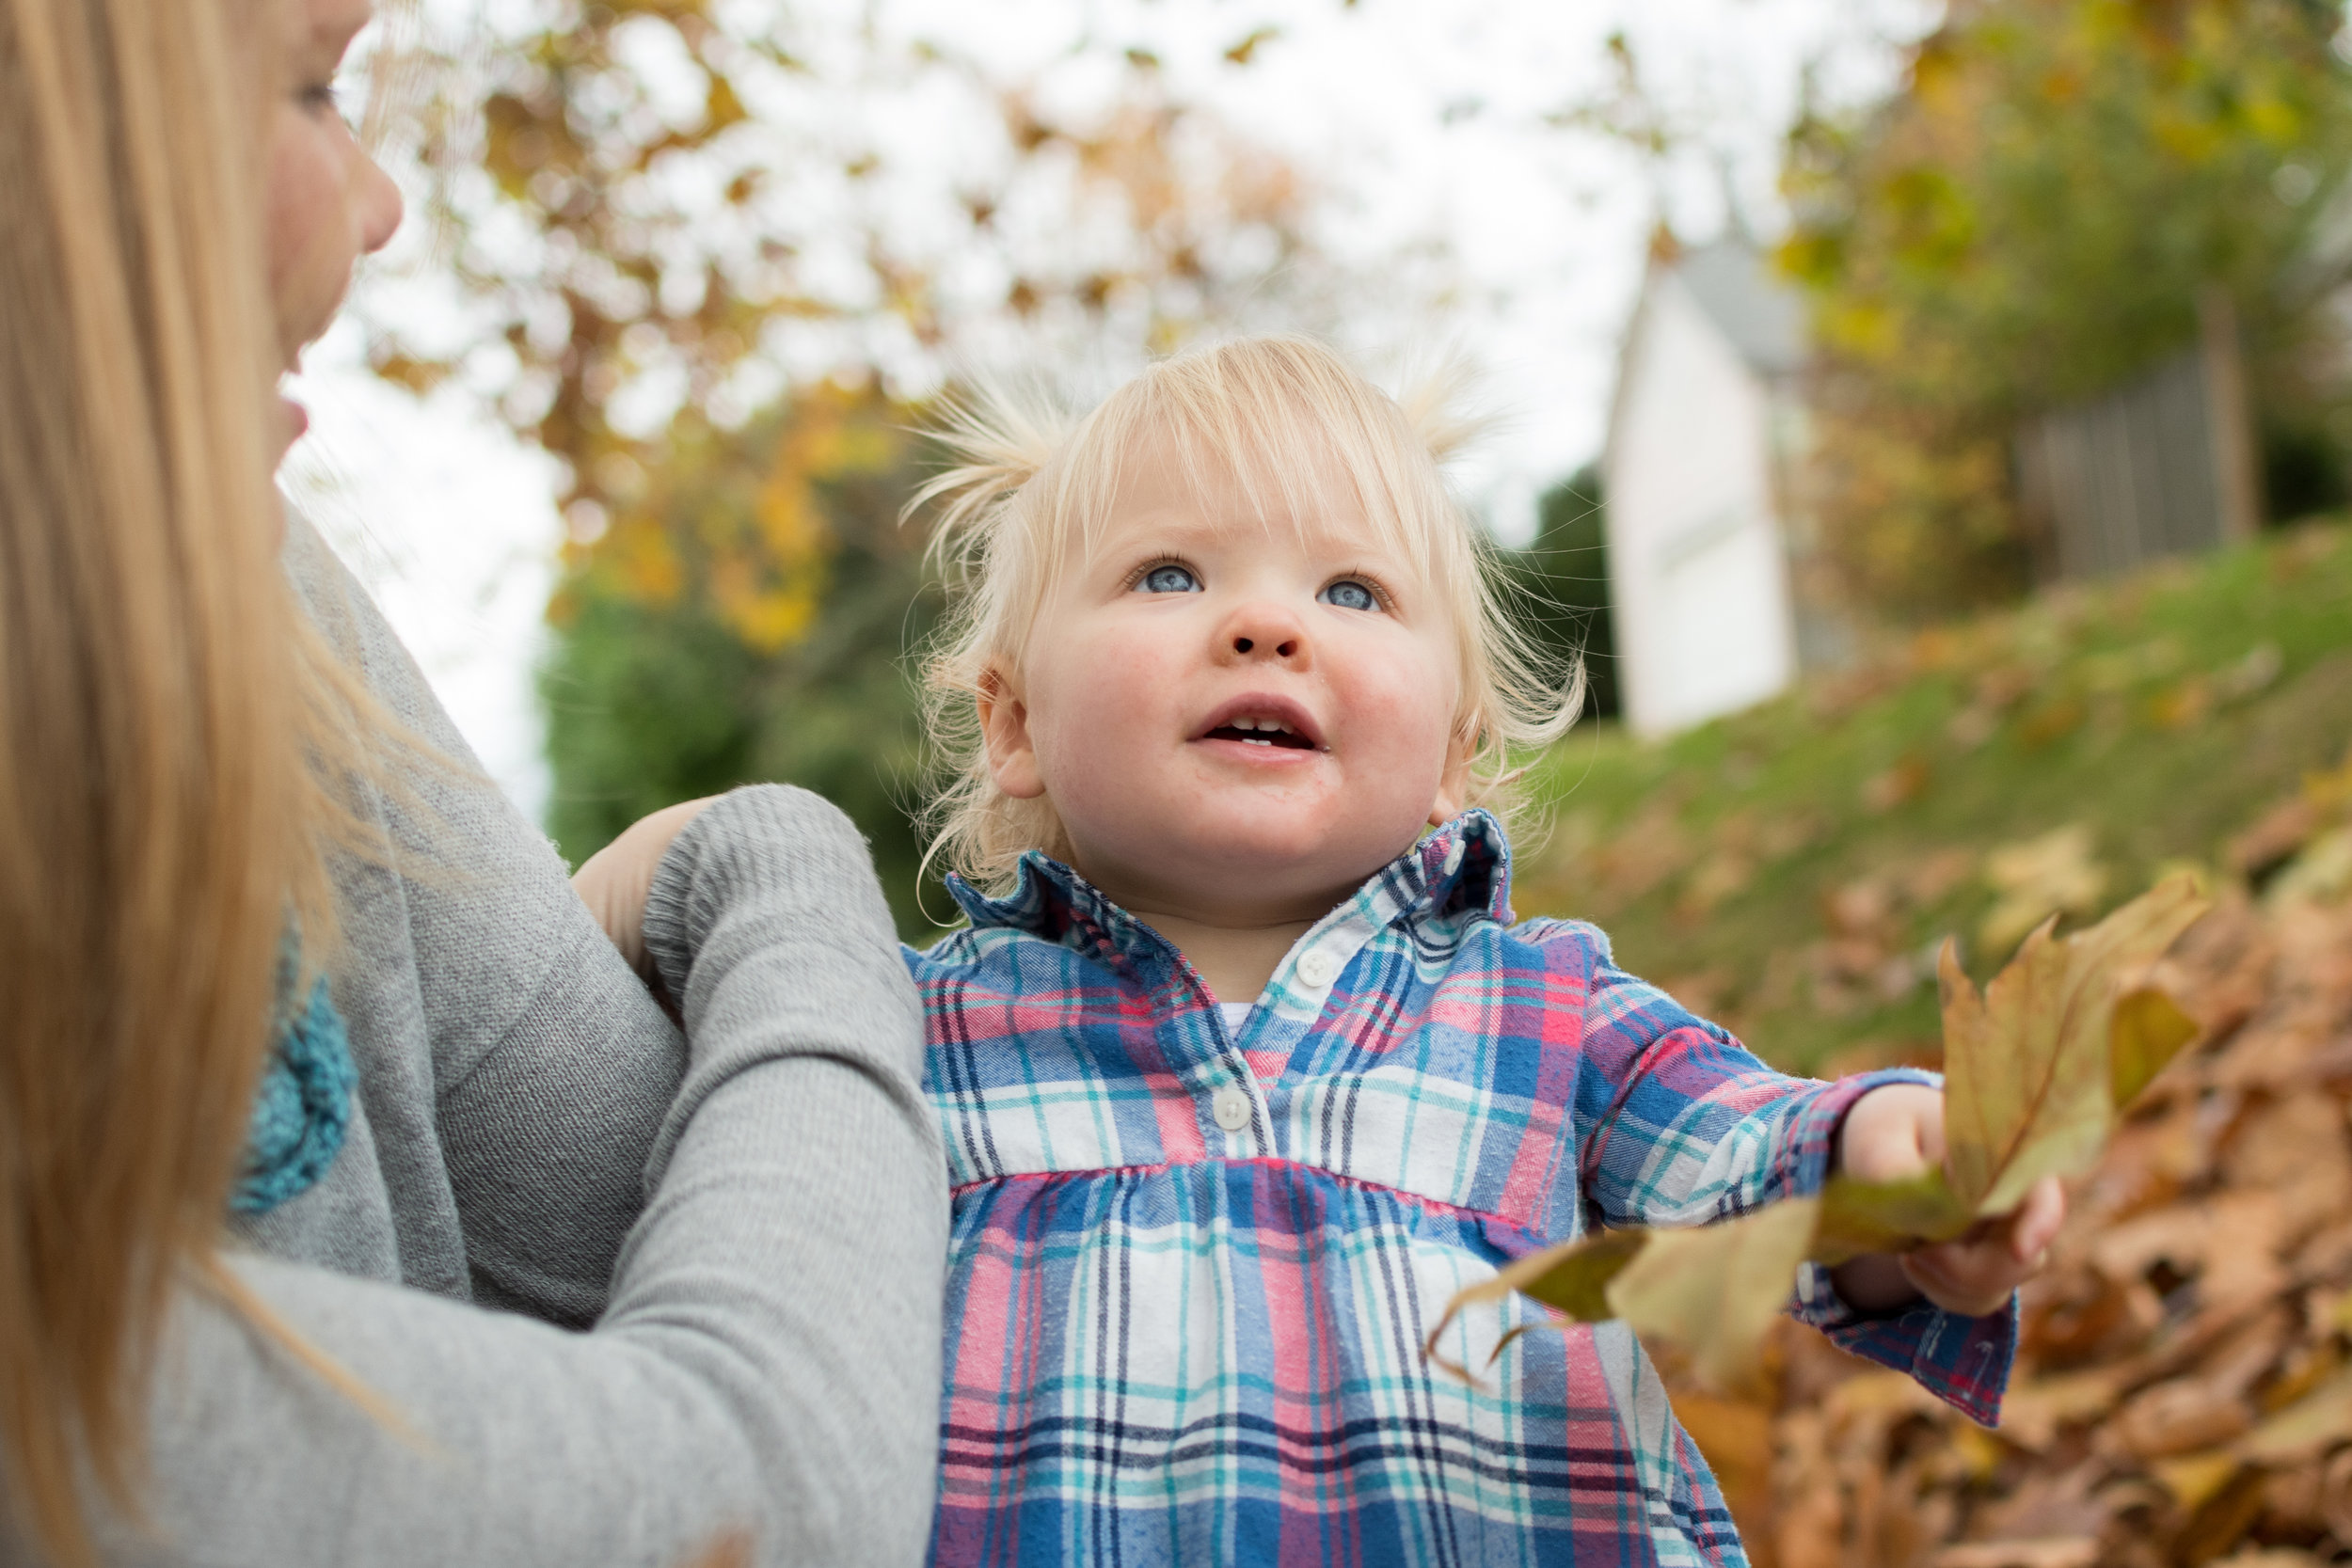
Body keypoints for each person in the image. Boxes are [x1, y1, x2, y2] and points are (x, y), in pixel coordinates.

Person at [0, 0, 944, 1563]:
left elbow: (641, 1208)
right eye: (310, 85)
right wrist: (784, 864)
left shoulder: (243, 586)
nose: (379, 204)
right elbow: (781, 1485)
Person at [897, 336, 2065, 1565]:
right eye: (1170, 574)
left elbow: (1744, 1153)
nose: (1263, 625)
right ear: (1015, 721)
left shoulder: (1545, 1015)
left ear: (1454, 751)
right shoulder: (914, 1043)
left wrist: (1890, 1171)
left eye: (1350, 592)